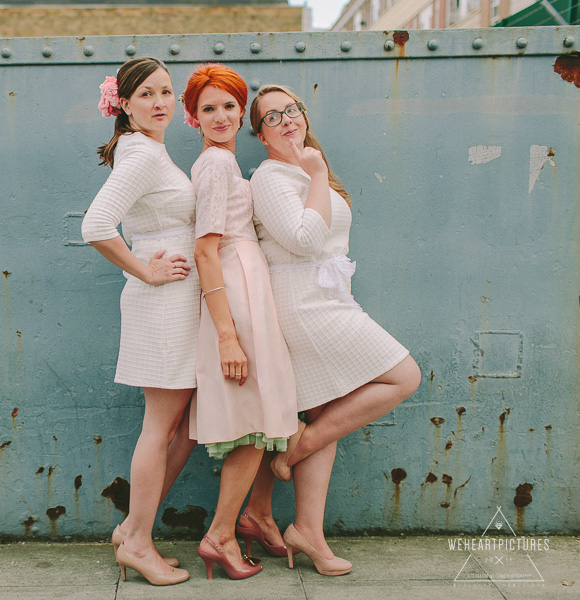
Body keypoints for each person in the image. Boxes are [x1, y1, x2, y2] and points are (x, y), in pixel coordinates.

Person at [249, 84, 421, 576]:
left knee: (328, 413)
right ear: (260, 134)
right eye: (272, 117)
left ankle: (308, 532)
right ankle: (297, 447)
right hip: (303, 303)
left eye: (293, 110)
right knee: (403, 376)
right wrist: (319, 172)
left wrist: (316, 172)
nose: (287, 120)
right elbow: (303, 241)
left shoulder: (301, 169)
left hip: (326, 296)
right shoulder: (271, 177)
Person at [81, 56, 199, 586]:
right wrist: (145, 272)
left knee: (183, 427)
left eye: (166, 93)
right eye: (146, 94)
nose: (159, 103)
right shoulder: (143, 157)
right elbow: (96, 225)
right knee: (161, 427)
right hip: (163, 301)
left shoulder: (148, 151)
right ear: (123, 104)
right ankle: (139, 542)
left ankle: (133, 529)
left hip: (175, 300)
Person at [183, 64, 299, 581]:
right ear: (194, 118)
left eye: (229, 105)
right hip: (236, 294)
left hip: (249, 288)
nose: (222, 116)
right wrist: (228, 336)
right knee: (252, 425)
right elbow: (206, 251)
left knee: (261, 420)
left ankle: (249, 519)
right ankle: (221, 534)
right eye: (209, 108)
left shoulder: (225, 165)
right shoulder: (214, 166)